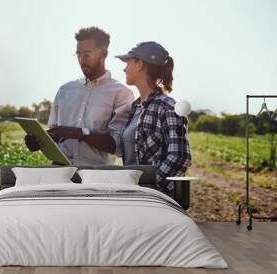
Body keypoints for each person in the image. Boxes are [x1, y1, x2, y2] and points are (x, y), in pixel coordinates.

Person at [25, 27, 134, 165]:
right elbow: (53, 134)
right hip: (59, 173)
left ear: (104, 54)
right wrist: (39, 141)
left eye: (87, 54)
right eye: (78, 55)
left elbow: (118, 146)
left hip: (95, 177)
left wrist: (80, 133)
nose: (82, 60)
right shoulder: (65, 90)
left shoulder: (121, 93)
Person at [115, 41, 192, 196]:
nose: (124, 68)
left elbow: (180, 156)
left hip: (152, 199)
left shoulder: (167, 107)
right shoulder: (135, 108)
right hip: (133, 195)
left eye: (127, 63)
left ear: (139, 64)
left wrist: (150, 187)